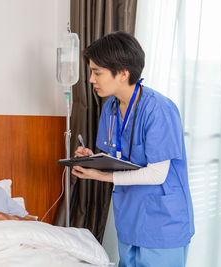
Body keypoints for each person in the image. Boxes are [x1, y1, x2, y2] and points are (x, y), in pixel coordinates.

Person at [71, 32, 194, 267]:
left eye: (97, 72)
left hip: (162, 222)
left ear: (123, 73)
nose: (91, 79)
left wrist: (100, 175)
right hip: (129, 217)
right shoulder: (111, 108)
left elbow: (157, 174)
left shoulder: (158, 109)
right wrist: (93, 160)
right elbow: (119, 156)